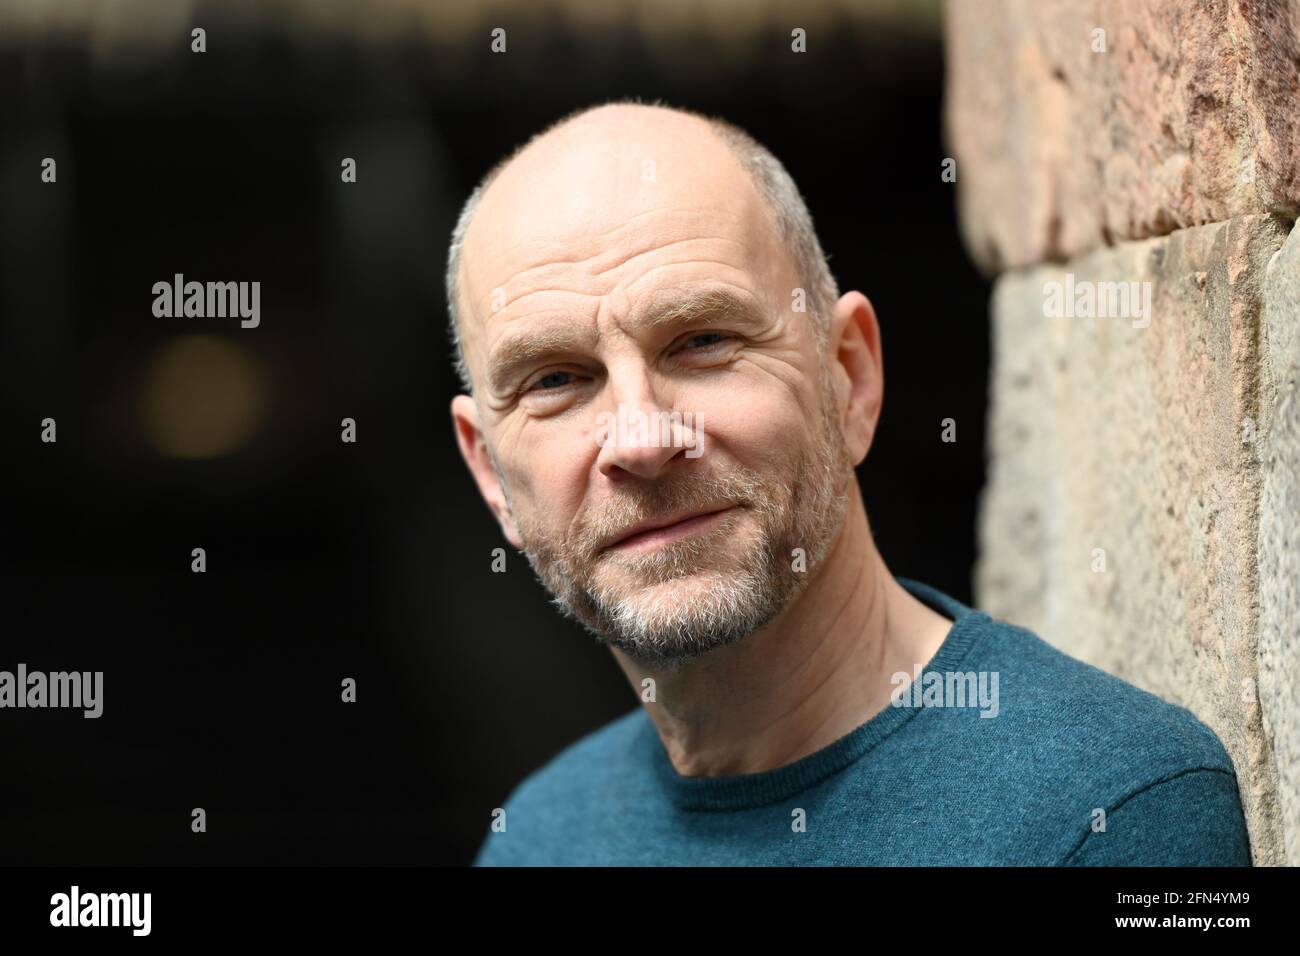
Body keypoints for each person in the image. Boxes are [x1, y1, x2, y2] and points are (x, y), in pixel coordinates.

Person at [446, 100, 1251, 866]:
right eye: (555, 380)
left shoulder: (1116, 812)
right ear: (489, 470)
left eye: (702, 341)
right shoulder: (540, 837)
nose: (643, 439)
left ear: (848, 377)